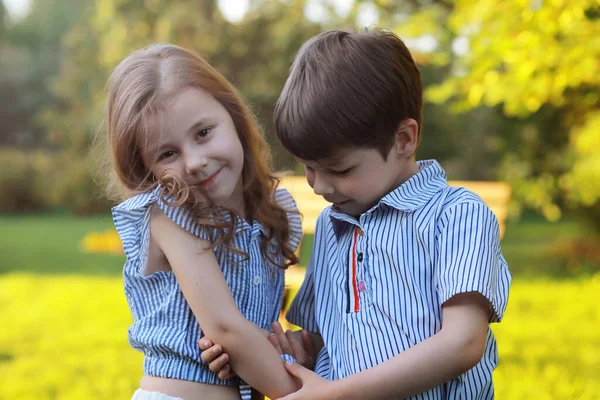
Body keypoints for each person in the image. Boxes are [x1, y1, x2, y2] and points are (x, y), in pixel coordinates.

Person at [203, 28, 512, 399]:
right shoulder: (335, 228)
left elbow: (463, 344)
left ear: (404, 139)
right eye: (308, 167)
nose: (319, 186)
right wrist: (252, 352)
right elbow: (323, 343)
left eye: (340, 170)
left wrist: (334, 395)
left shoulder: (457, 216)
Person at [106, 43, 302, 400]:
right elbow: (227, 330)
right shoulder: (168, 212)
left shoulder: (277, 213)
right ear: (145, 167)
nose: (194, 162)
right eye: (168, 153)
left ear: (234, 117)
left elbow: (258, 335)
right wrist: (310, 393)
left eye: (202, 133)